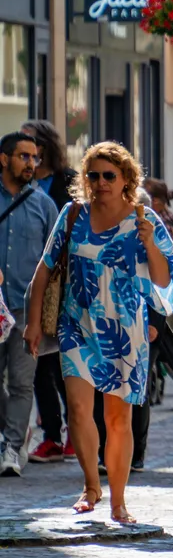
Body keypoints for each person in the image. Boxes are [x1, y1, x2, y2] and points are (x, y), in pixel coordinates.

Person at [23, 142, 173, 524]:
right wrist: (32, 323)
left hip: (126, 330)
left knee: (117, 419)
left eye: (109, 175)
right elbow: (44, 269)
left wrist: (149, 244)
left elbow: (165, 278)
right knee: (78, 410)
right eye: (92, 175)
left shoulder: (144, 219)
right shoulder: (72, 213)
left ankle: (118, 500)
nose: (100, 182)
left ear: (127, 178)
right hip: (76, 325)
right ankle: (91, 486)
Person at [0, 131, 56, 476]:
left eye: (34, 158)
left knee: (22, 382)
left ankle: (10, 446)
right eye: (24, 156)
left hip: (25, 308)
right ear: (4, 159)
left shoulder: (43, 204)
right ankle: (14, 430)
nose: (31, 164)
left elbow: (56, 258)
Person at [24, 120, 76, 465]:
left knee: (61, 364)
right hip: (31, 280)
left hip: (63, 283)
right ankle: (52, 436)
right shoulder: (17, 184)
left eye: (30, 145)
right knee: (40, 362)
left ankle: (77, 430)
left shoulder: (66, 182)